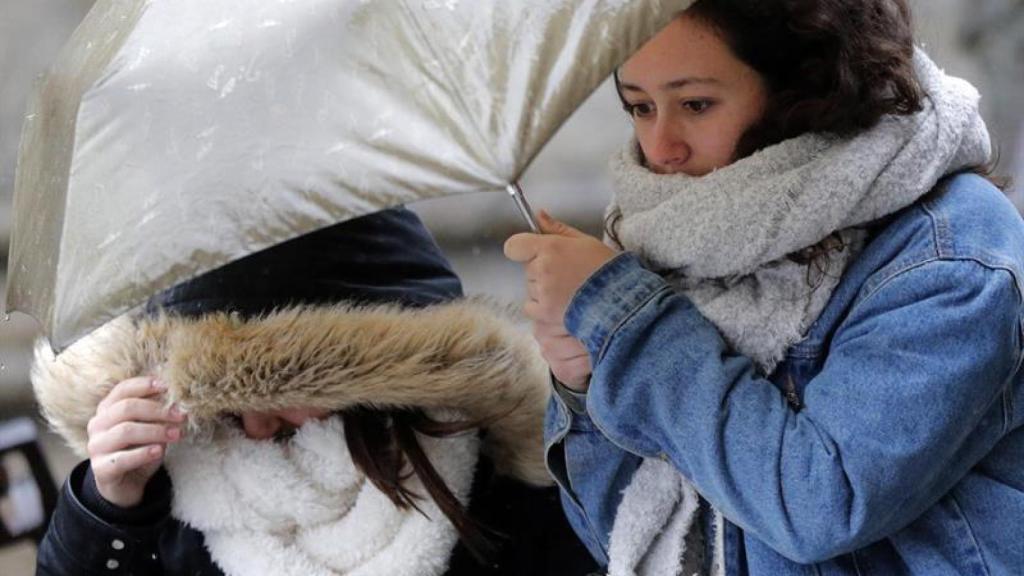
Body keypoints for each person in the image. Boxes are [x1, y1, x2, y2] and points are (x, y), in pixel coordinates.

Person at [504, 1, 1023, 574]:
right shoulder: (672, 240)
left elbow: (819, 505)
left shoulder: (951, 255)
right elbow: (629, 541)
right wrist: (582, 378)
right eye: (640, 107)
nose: (661, 147)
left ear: (803, 87)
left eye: (695, 104)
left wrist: (628, 326)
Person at [33, 207, 599, 575]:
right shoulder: (180, 490)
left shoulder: (500, 490)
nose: (256, 429)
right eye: (228, 408)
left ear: (372, 382)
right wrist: (108, 508)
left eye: (276, 392)